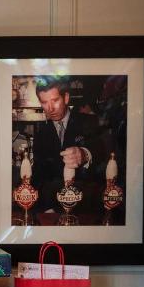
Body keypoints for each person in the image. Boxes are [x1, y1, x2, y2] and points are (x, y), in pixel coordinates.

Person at [30, 77, 112, 218]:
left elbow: (104, 150)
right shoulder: (41, 133)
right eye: (44, 102)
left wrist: (85, 154)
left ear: (66, 98)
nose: (50, 108)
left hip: (87, 208)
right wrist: (47, 208)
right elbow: (39, 176)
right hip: (54, 209)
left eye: (55, 100)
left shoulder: (90, 122)